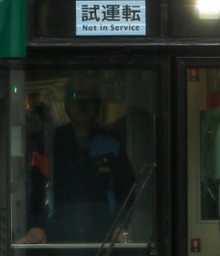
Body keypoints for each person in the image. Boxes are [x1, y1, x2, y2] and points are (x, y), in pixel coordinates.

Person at [20, 74, 135, 244]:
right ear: (66, 105)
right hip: (56, 240)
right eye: (75, 97)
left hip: (102, 241)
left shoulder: (113, 146)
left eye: (89, 97)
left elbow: (127, 192)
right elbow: (35, 187)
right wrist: (37, 225)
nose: (82, 103)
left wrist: (121, 224)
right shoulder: (48, 144)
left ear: (98, 104)